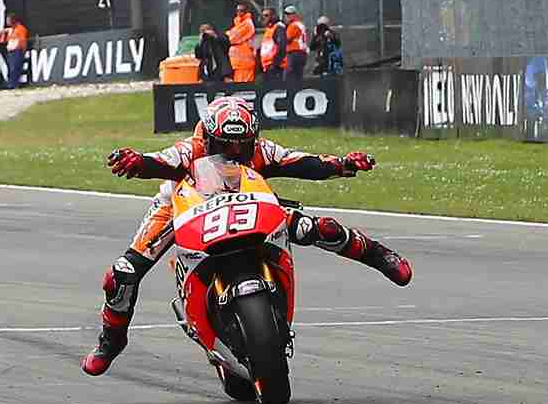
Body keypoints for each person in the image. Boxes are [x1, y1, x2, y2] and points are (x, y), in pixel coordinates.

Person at [81, 96, 413, 376]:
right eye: (226, 145)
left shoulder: (261, 150)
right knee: (122, 275)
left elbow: (302, 162)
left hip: (247, 204)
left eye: (242, 145)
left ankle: (380, 255)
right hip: (183, 208)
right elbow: (158, 161)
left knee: (317, 227)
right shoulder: (190, 149)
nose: (234, 151)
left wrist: (342, 164)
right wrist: (136, 161)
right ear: (209, 137)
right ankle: (112, 340)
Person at [0, 13, 29, 89]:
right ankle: (11, 84)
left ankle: (14, 85)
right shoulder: (11, 30)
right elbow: (7, 40)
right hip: (11, 51)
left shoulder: (21, 29)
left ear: (13, 20)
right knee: (10, 68)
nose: (7, 22)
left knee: (15, 68)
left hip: (17, 51)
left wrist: (22, 50)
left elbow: (22, 41)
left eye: (8, 20)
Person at [226, 3, 256, 83]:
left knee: (245, 86)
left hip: (245, 60)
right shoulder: (238, 23)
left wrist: (228, 33)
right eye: (237, 10)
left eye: (241, 11)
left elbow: (232, 37)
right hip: (238, 61)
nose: (239, 13)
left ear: (246, 12)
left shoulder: (247, 23)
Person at [258, 7, 287, 80]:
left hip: (277, 68)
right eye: (263, 16)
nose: (264, 18)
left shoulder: (278, 28)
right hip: (268, 67)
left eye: (266, 15)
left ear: (273, 16)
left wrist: (274, 64)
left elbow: (282, 47)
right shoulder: (269, 29)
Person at [282, 5, 309, 80]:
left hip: (294, 53)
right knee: (298, 76)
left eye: (289, 14)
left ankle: (290, 91)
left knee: (288, 76)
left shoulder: (293, 25)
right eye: (286, 15)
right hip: (302, 53)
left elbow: (287, 39)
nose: (287, 17)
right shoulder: (300, 24)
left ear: (294, 15)